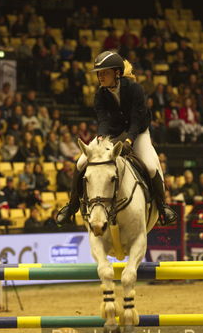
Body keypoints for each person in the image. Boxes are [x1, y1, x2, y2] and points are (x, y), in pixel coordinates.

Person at [57, 51, 177, 226]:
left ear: (117, 73)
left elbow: (136, 120)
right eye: (99, 73)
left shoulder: (135, 89)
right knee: (81, 162)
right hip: (112, 133)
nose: (100, 76)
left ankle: (163, 207)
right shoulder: (100, 94)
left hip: (138, 131)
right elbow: (104, 120)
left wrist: (129, 140)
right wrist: (100, 138)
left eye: (104, 72)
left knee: (151, 166)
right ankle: (72, 206)